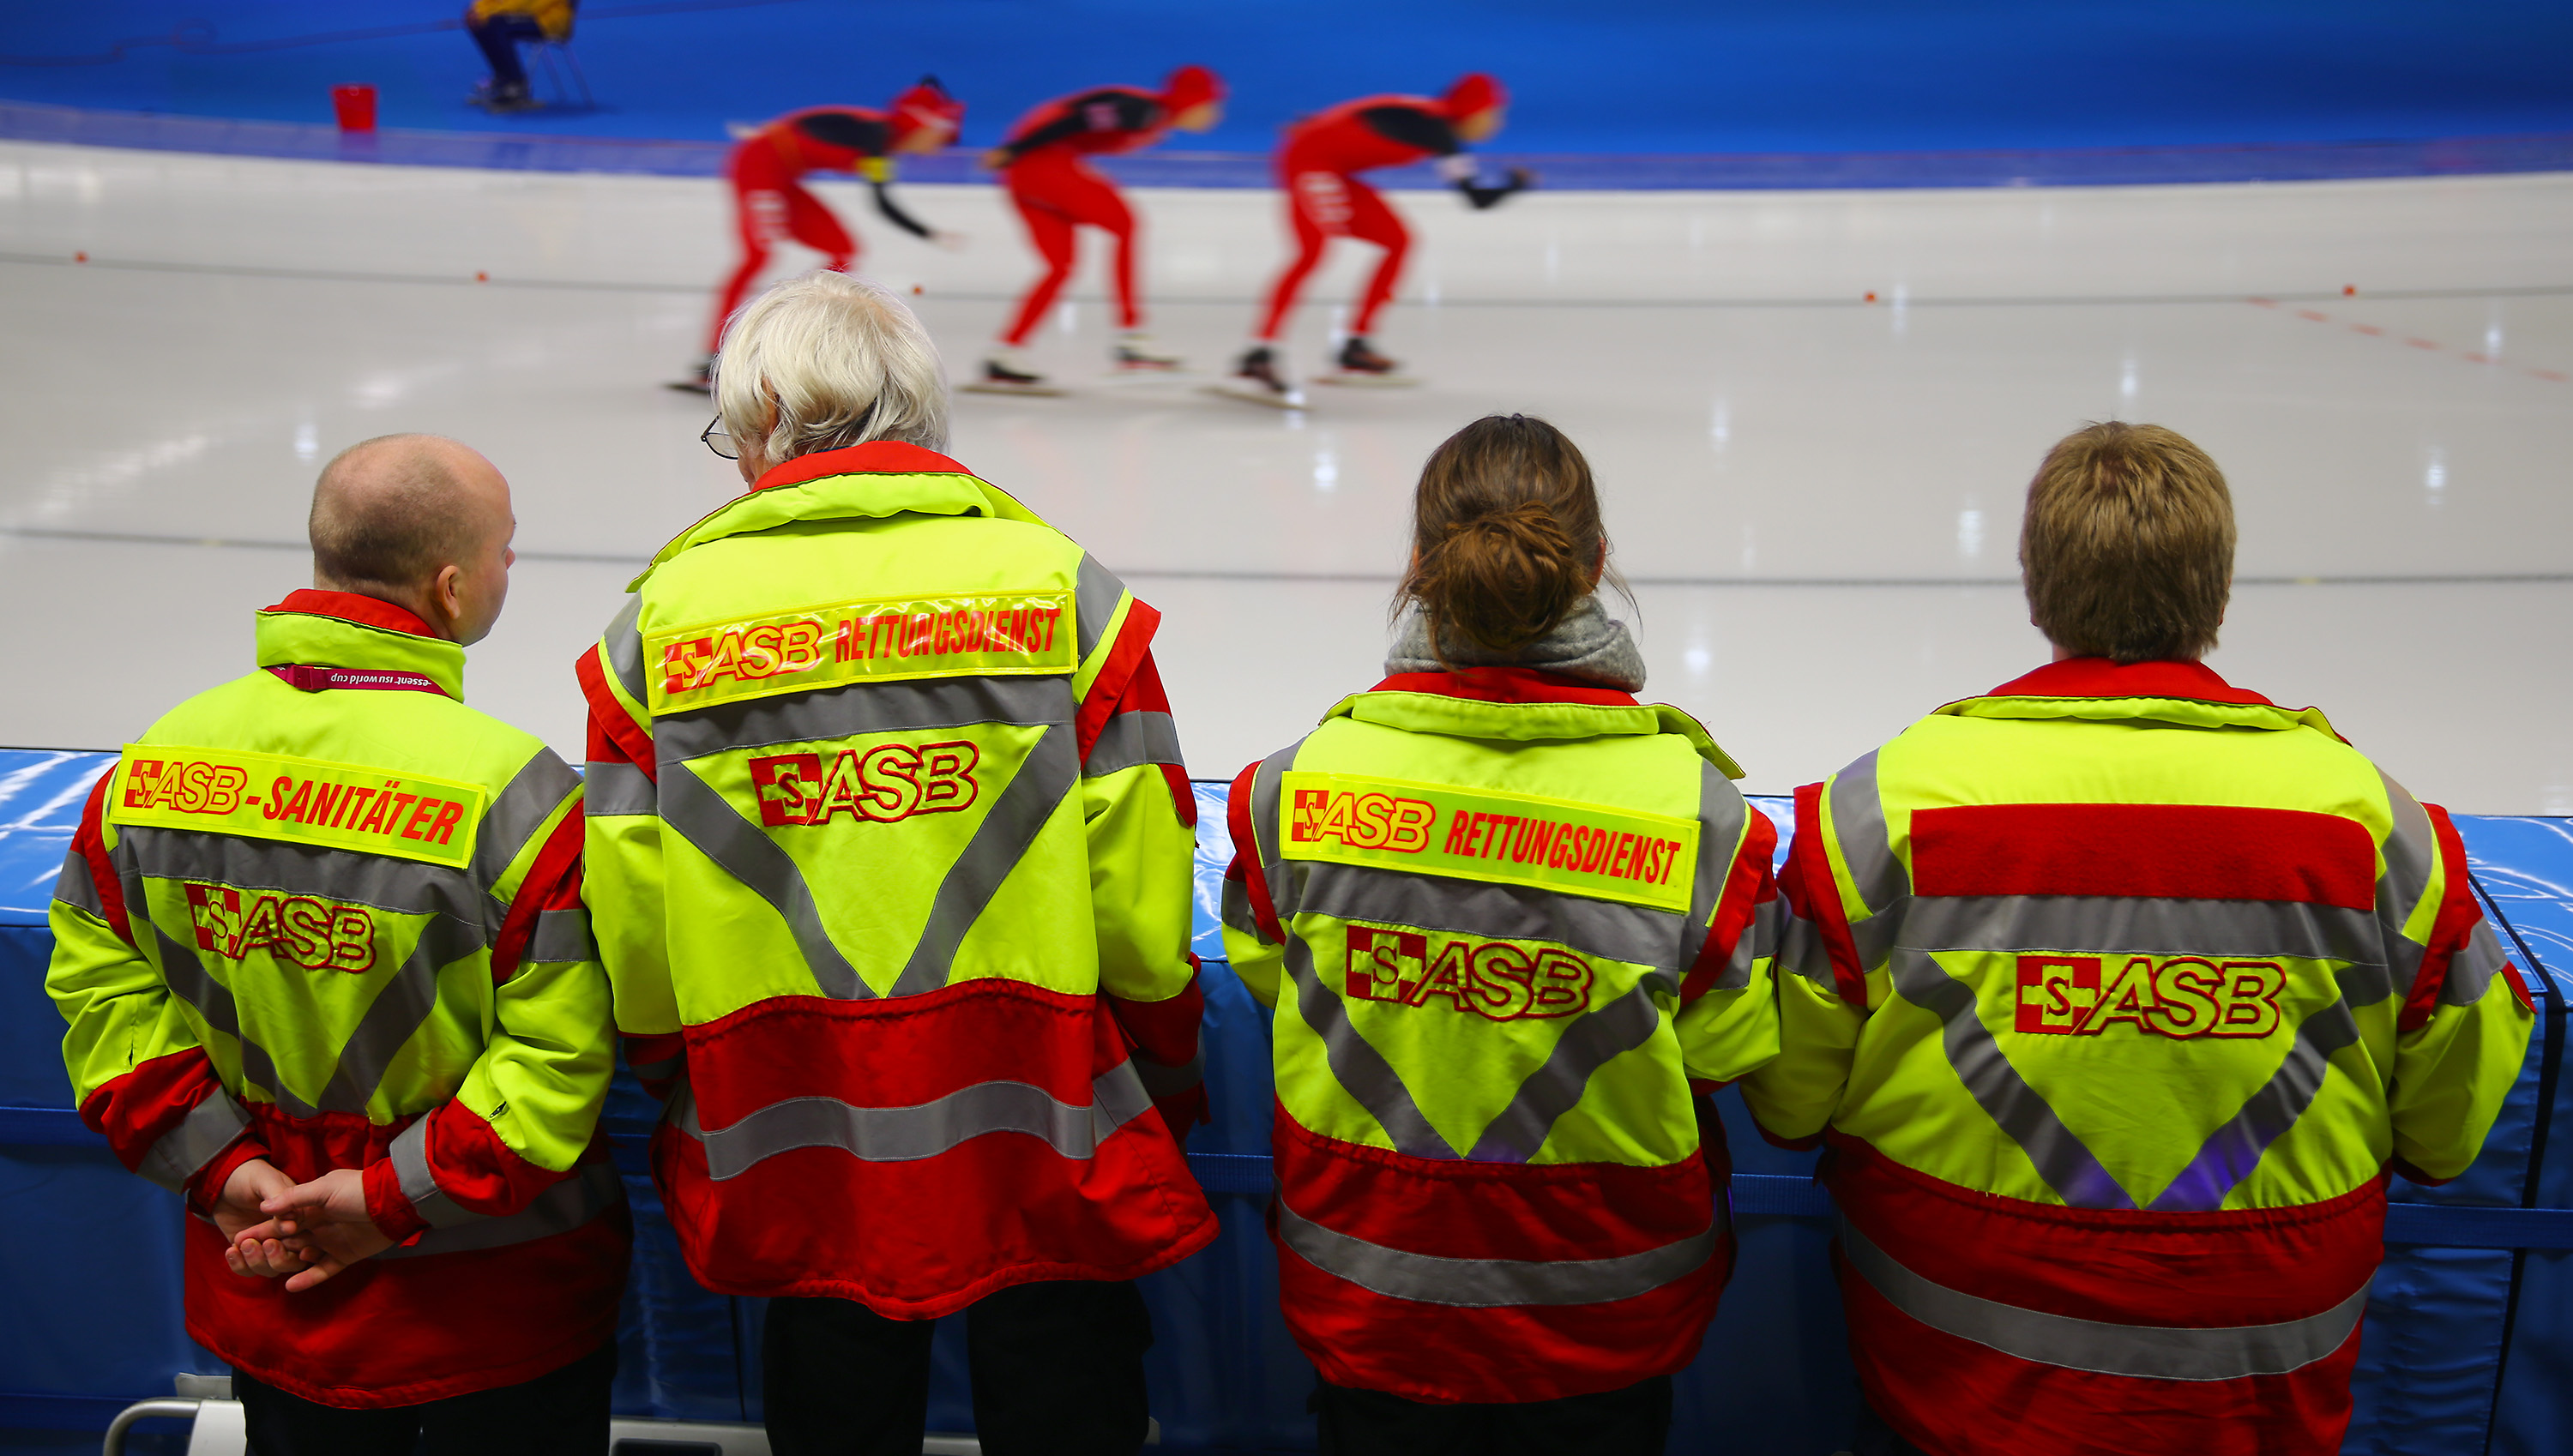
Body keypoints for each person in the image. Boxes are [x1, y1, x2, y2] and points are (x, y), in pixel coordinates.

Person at [1743, 422, 2534, 1456]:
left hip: (1951, 1390)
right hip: (2259, 1405)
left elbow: (1792, 1099)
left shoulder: (1880, 809)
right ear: (2216, 591)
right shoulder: (2379, 829)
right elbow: (2451, 1127)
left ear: (2037, 585)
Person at [581, 270, 1214, 1456]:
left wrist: (678, 1069)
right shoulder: (1064, 592)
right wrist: (1167, 1055)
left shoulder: (654, 631)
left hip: (791, 1132)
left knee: (833, 1395)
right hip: (1049, 1121)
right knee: (1066, 1383)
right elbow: (1137, 908)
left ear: (766, 419)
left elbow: (636, 937)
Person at [46, 435, 626, 1455]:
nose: (509, 570)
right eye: (506, 552)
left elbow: (102, 997)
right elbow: (556, 1061)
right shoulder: (519, 797)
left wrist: (225, 1167)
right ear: (451, 589)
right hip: (497, 1306)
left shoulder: (151, 771)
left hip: (274, 1285)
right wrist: (387, 1198)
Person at [1220, 414, 1781, 1454]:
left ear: (1418, 568)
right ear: (1597, 565)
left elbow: (1269, 979)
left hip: (1367, 1297)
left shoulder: (1286, 793)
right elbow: (1727, 1051)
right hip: (1605, 1322)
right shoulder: (1702, 822)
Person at [1225, 75, 1531, 400]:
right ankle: (1259, 353)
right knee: (1312, 253)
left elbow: (1368, 110)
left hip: (1332, 168)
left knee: (1398, 241)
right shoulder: (1437, 128)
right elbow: (1476, 198)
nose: (1497, 124)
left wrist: (1317, 121)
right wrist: (1515, 183)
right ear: (1474, 111)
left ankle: (1356, 346)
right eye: (1494, 114)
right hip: (1309, 161)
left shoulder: (1433, 121)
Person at [681, 79, 967, 392]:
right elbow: (882, 203)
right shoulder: (877, 135)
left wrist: (932, 234)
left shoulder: (883, 150)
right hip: (758, 165)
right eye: (942, 136)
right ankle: (714, 355)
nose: (940, 148)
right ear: (922, 125)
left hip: (785, 179)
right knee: (758, 257)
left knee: (843, 250)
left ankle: (801, 328)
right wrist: (930, 233)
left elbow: (879, 198)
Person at [973, 65, 1226, 392]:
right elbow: (1073, 120)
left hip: (1026, 176)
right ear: (1191, 102)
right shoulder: (1144, 111)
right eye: (1211, 106)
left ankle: (1004, 353)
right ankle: (1131, 336)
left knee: (1060, 268)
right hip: (1040, 163)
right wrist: (1013, 150)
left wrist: (1015, 154)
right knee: (1126, 225)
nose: (1215, 116)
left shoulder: (1152, 118)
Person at [463, 0, 575, 113]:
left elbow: (529, 4)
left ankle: (516, 87)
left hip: (548, 19)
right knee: (478, 23)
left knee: (495, 24)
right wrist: (478, 11)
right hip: (518, 14)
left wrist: (487, 13)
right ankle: (503, 79)